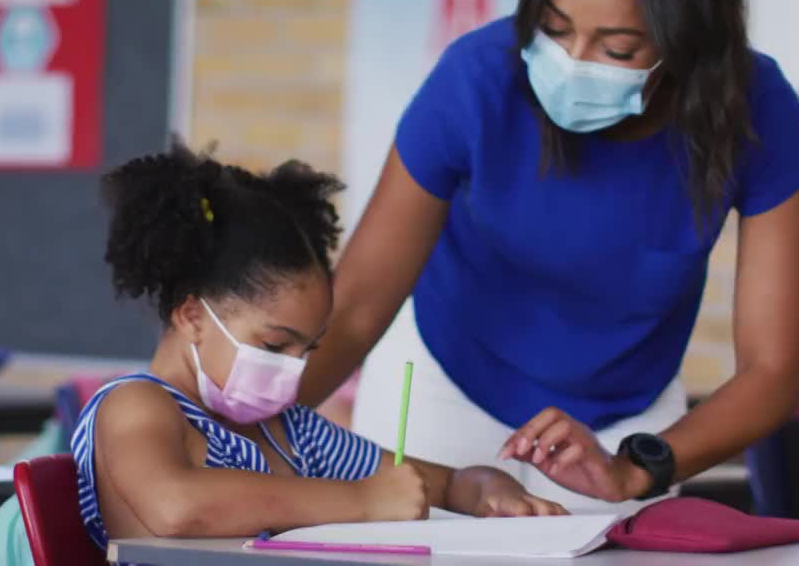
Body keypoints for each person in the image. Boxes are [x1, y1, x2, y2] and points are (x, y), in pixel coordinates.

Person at [300, 0, 799, 513]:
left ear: (689, 46)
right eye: (555, 27)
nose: (573, 61)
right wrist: (241, 433)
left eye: (618, 47)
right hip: (444, 389)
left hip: (625, 425)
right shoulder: (478, 78)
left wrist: (638, 468)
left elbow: (771, 371)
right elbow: (353, 310)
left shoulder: (755, 110)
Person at [73, 143, 565, 550]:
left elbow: (440, 484)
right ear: (192, 316)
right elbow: (176, 506)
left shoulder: (287, 431)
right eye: (274, 344)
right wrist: (363, 503)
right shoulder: (137, 405)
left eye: (307, 351)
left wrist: (489, 490)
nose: (294, 370)